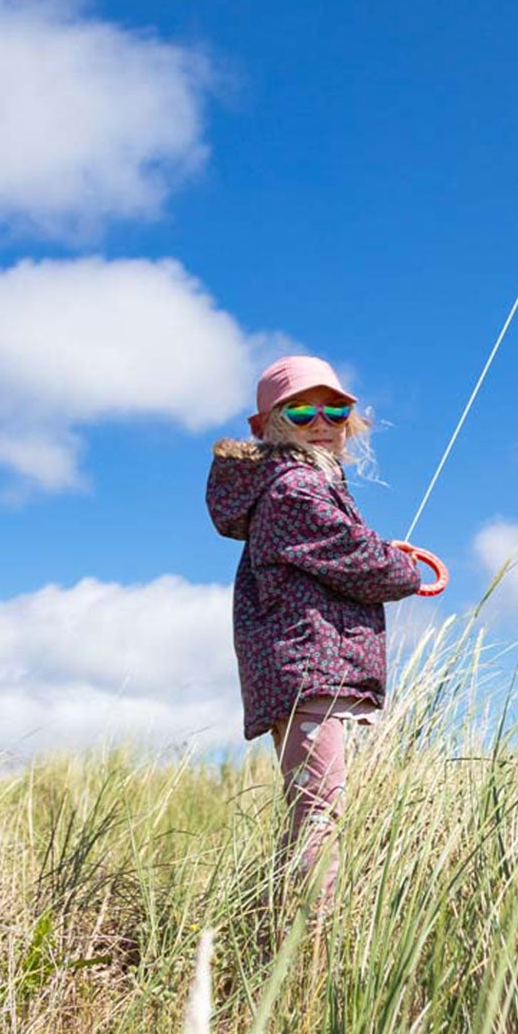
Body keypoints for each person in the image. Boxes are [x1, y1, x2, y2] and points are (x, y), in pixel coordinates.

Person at [205, 354, 441, 905]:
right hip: (311, 671)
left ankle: (292, 934)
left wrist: (384, 557)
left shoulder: (304, 484)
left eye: (335, 412)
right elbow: (357, 557)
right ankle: (311, 944)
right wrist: (403, 568)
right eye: (301, 411)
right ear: (268, 426)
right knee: (318, 813)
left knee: (315, 810)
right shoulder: (292, 487)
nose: (321, 423)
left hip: (314, 672)